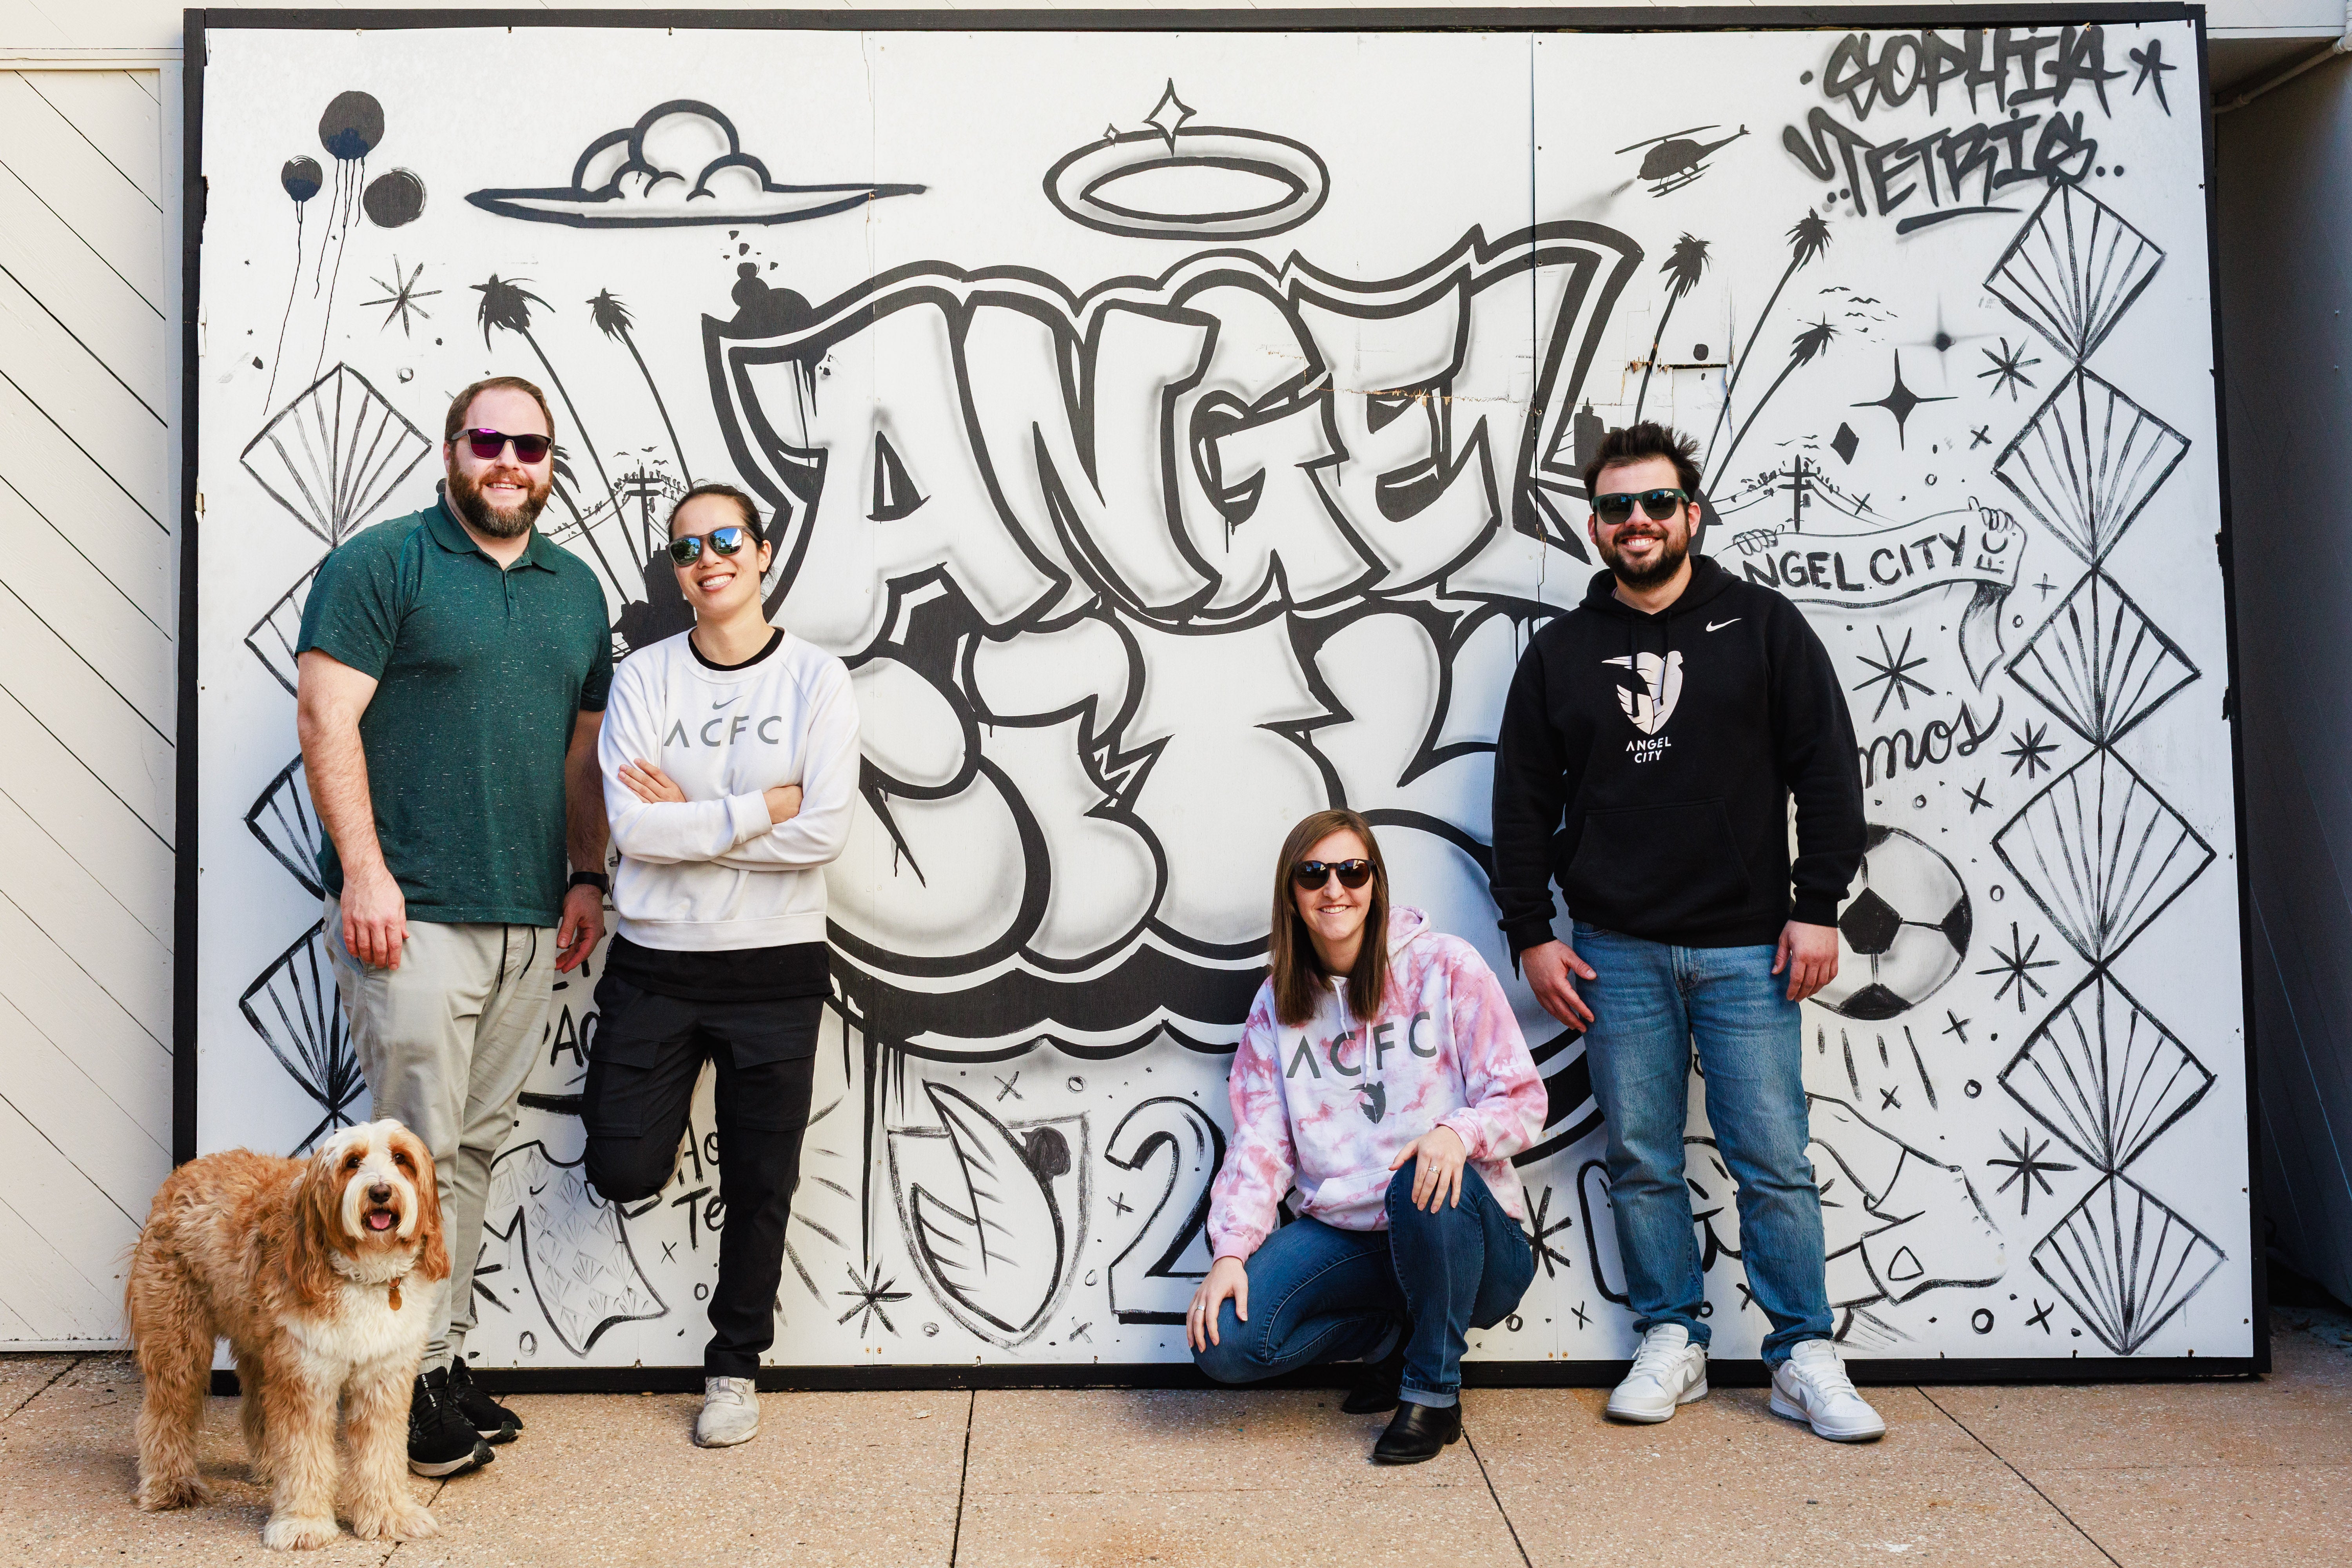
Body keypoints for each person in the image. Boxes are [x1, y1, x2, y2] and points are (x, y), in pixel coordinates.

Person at [1487, 421, 1883, 1441]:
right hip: (1614, 953)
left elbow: (1828, 772)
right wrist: (1531, 933)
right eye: (1618, 507)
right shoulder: (1563, 655)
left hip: (1754, 951)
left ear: (1691, 515)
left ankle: (1803, 1352)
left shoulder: (1761, 626)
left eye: (1657, 503)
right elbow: (1523, 801)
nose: (1639, 522)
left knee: (1773, 1158)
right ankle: (1674, 1337)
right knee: (1644, 1157)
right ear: (1595, 526)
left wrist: (1817, 905)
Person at [297, 375, 612, 1476]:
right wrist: (366, 872)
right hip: (415, 914)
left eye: (532, 446)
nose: (510, 462)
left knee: (466, 1156)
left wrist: (585, 874)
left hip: (531, 920)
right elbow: (325, 716)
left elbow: (582, 755)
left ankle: (437, 1360)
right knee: (405, 1165)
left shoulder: (577, 591)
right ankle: (389, 1393)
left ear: (550, 462)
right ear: (451, 450)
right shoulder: (383, 565)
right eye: (490, 440)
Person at [580, 483, 858, 1449]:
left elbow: (823, 829)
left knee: (760, 1179)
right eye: (690, 545)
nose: (711, 556)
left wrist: (687, 825)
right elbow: (631, 828)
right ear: (677, 570)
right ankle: (643, 1178)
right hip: (655, 964)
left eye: (728, 538)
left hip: (775, 966)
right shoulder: (647, 676)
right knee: (619, 1166)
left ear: (765, 551)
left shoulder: (818, 679)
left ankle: (734, 1365)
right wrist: (754, 810)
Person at [1189, 809, 1545, 1464]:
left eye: (1352, 871)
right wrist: (1231, 1253)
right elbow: (1261, 1143)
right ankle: (1400, 1334)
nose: (1335, 889)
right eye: (1313, 874)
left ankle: (1432, 1395)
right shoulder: (1277, 1004)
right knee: (1227, 1345)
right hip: (1353, 1234)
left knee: (1421, 1176)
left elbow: (1522, 1099)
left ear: (1376, 883)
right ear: (1292, 896)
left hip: (1471, 1241)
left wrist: (1456, 1133)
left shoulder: (1446, 967)